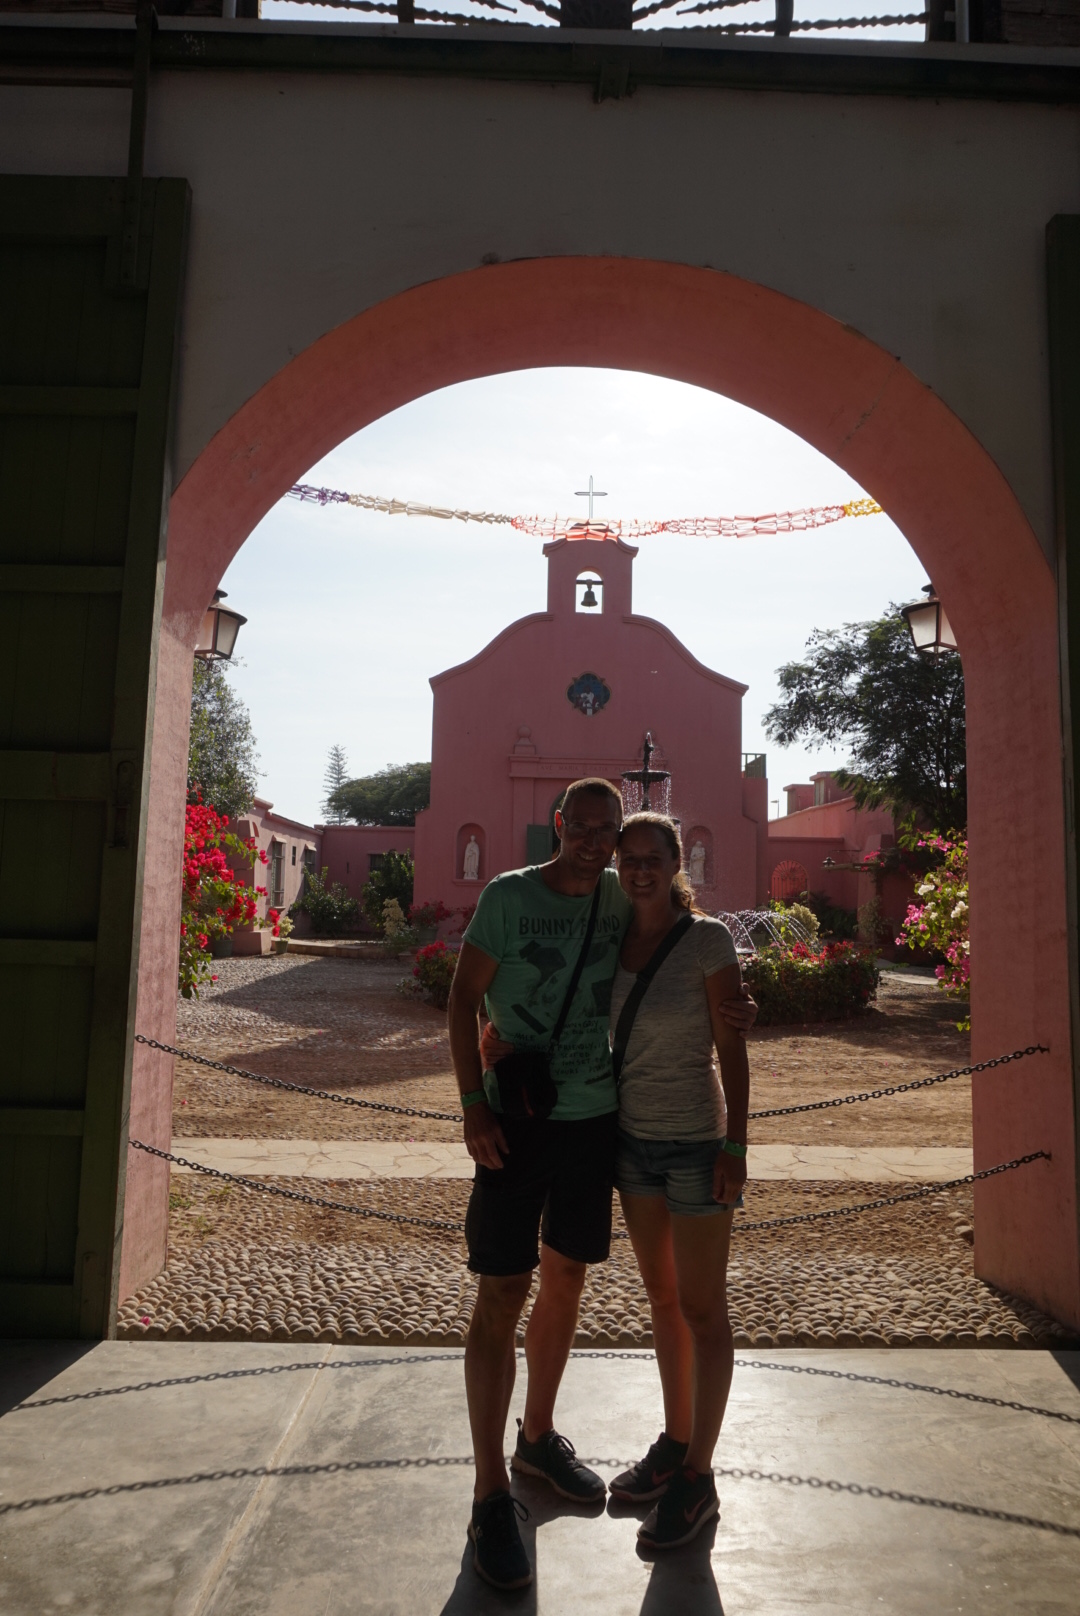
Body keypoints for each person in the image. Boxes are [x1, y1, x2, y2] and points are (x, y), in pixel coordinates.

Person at [446, 779, 756, 1591]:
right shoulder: (512, 896)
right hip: (529, 1123)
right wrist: (474, 1102)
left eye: (607, 831)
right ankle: (490, 1495)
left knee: (573, 1281)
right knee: (503, 1293)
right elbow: (463, 999)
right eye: (581, 827)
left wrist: (737, 1023)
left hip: (600, 1127)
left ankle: (545, 1443)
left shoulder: (642, 907)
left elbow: (707, 989)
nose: (597, 843)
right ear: (559, 825)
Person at [606, 812, 748, 1551]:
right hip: (632, 1145)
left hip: (696, 1145)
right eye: (628, 859)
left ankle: (699, 1475)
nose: (640, 870)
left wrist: (736, 1145)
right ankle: (675, 1438)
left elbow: (732, 1044)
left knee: (703, 1309)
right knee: (662, 1300)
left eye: (652, 858)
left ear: (675, 863)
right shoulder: (610, 938)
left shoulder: (707, 939)